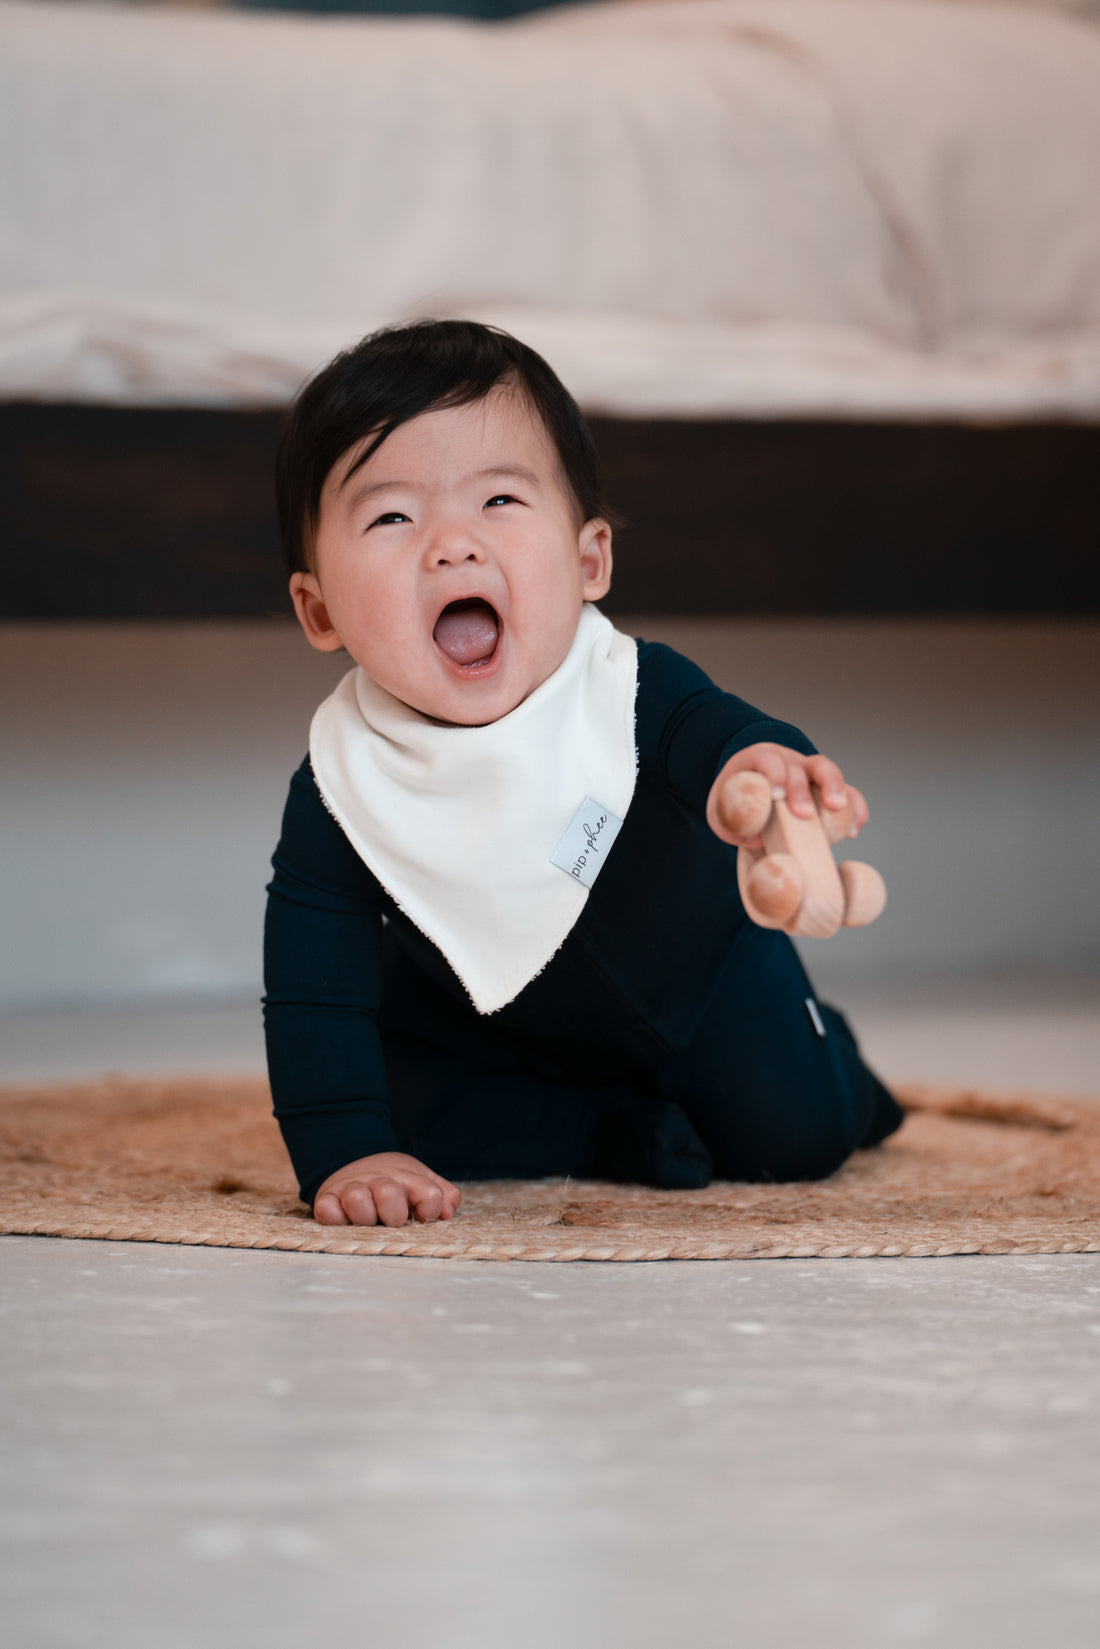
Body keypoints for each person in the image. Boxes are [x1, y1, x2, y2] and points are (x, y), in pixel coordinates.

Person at [263, 319, 903, 1229]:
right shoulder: (345, 784)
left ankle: (838, 1061)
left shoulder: (627, 689)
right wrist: (346, 1146)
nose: (452, 545)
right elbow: (312, 984)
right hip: (488, 1029)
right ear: (318, 607)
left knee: (799, 1137)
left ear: (588, 557)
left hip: (702, 980)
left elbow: (719, 734)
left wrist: (763, 771)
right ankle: (605, 1131)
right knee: (382, 1103)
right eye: (393, 516)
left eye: (499, 503)